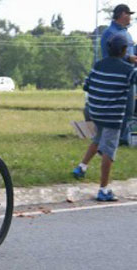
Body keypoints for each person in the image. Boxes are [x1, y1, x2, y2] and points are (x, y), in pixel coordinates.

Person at [73, 34, 136, 201]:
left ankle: (81, 167)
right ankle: (103, 190)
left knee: (97, 139)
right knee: (108, 150)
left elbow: (87, 85)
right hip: (112, 116)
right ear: (124, 50)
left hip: (95, 112)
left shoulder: (98, 64)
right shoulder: (128, 70)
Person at [100, 4, 137, 144]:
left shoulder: (126, 33)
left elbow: (131, 50)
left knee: (128, 109)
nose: (130, 17)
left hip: (129, 75)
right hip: (116, 77)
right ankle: (116, 138)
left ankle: (122, 137)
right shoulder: (110, 33)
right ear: (122, 14)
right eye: (129, 14)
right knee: (117, 109)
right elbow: (108, 55)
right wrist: (128, 58)